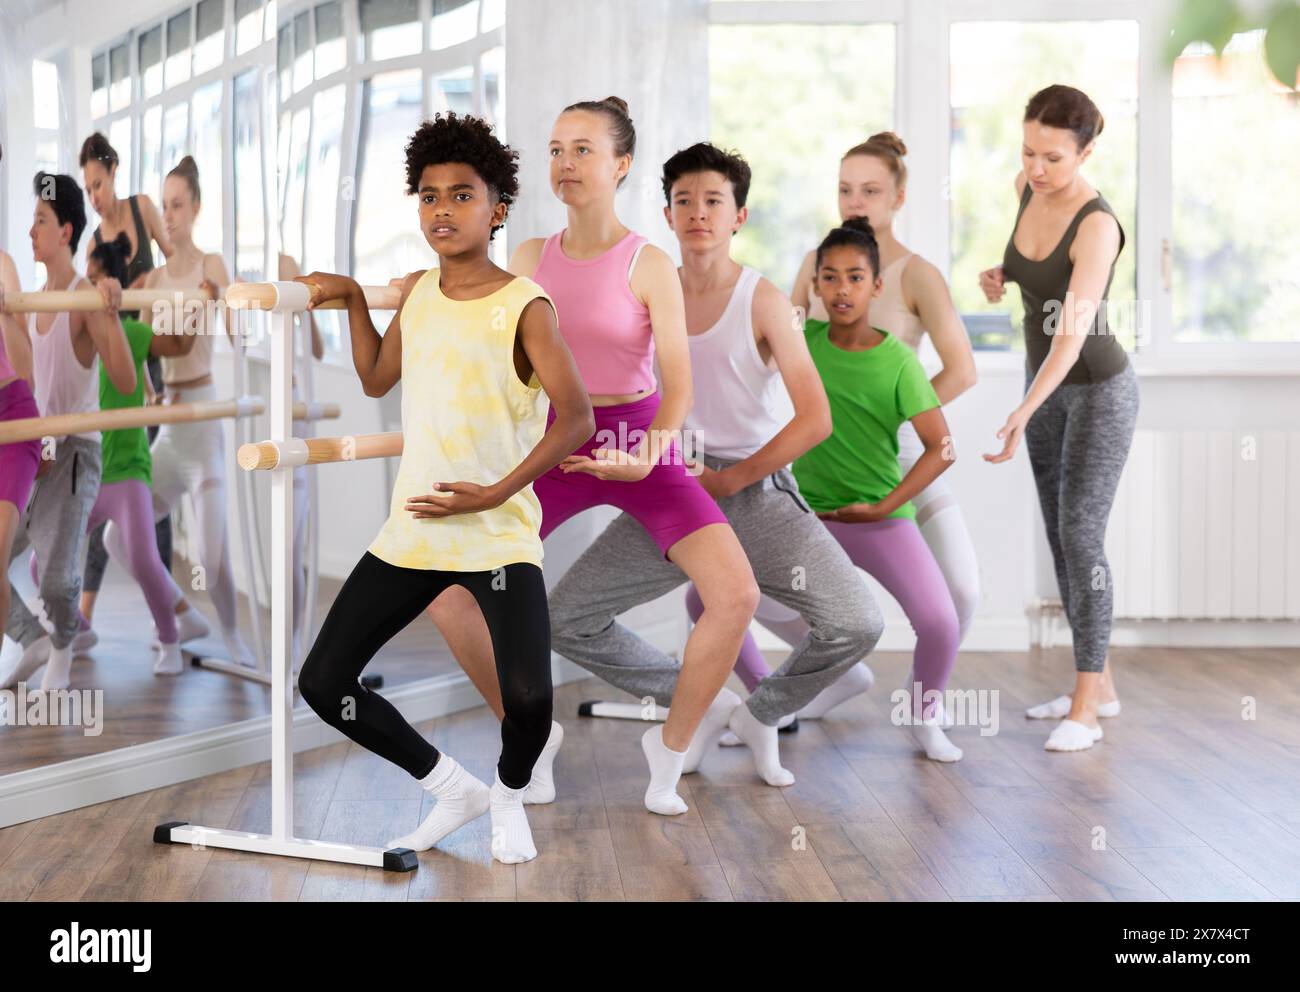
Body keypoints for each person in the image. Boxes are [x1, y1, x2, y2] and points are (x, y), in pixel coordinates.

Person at [422, 98, 762, 817]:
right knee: (450, 596)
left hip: (638, 436)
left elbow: (679, 386)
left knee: (736, 594)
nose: (565, 163)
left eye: (583, 149)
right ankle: (531, 732)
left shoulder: (649, 263)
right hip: (554, 439)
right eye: (555, 150)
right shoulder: (527, 258)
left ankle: (669, 749)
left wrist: (645, 456)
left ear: (621, 164)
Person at [293, 112, 593, 864]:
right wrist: (355, 300)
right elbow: (376, 378)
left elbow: (578, 419)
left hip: (496, 534)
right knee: (324, 682)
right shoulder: (420, 293)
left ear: (496, 209)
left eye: (462, 196)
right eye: (429, 196)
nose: (442, 211)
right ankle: (449, 787)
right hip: (416, 532)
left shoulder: (525, 305)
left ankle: (508, 792)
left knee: (530, 702)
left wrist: (494, 493)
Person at [551, 141, 884, 788]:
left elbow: (815, 418)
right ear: (667, 216)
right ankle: (701, 699)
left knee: (856, 623)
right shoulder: (642, 287)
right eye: (684, 201)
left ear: (740, 216)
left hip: (751, 490)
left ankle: (760, 714)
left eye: (713, 201)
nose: (698, 213)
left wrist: (731, 479)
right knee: (566, 618)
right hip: (670, 485)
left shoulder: (763, 300)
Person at [761, 131, 980, 721]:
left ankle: (921, 700)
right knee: (762, 588)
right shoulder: (816, 264)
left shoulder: (917, 273)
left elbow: (962, 370)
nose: (855, 202)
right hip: (825, 457)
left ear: (898, 197)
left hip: (902, 454)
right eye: (845, 190)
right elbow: (777, 347)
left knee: (961, 591)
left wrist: (894, 411)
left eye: (871, 191)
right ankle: (832, 675)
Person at [980, 84, 1137, 753]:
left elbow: (1070, 337)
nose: (1037, 169)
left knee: (1081, 539)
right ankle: (1101, 686)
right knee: (1059, 536)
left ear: (1087, 152)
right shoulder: (1026, 189)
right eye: (1028, 152)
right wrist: (1002, 275)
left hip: (1097, 391)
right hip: (1043, 387)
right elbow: (1035, 272)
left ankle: (1086, 710)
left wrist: (1023, 408)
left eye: (1053, 158)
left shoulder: (1097, 225)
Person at [796, 217, 965, 761]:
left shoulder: (898, 362)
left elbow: (942, 447)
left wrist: (883, 508)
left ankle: (923, 715)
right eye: (829, 277)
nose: (841, 289)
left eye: (854, 277)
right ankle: (770, 705)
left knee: (940, 622)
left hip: (879, 518)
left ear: (877, 286)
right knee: (706, 598)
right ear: (815, 285)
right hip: (806, 519)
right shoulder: (801, 344)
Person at [29, 233, 205, 675]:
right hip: (90, 471)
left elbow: (180, 346)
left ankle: (170, 639)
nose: (86, 290)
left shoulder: (132, 333)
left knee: (144, 558)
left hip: (128, 472)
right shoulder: (71, 327)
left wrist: (201, 304)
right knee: (40, 562)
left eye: (94, 281)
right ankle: (79, 628)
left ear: (107, 288)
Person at [0, 171, 137, 692]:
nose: (30, 231)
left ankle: (63, 642)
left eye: (41, 220)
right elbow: (26, 379)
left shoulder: (84, 298)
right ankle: (31, 637)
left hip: (77, 451)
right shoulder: (32, 301)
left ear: (65, 231)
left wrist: (111, 307)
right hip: (37, 448)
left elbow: (125, 382)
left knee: (56, 582)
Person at [138, 156, 253, 667]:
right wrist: (149, 393)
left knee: (211, 555)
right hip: (171, 426)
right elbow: (139, 346)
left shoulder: (212, 265)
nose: (168, 215)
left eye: (178, 205)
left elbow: (237, 337)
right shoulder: (152, 279)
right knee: (122, 535)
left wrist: (236, 302)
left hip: (204, 423)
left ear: (196, 207)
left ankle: (231, 635)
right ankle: (181, 614)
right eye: (164, 206)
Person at [80, 131, 174, 638]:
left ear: (113, 171)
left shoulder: (143, 209)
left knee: (148, 487)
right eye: (87, 189)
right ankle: (85, 613)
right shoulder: (94, 245)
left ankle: (169, 609)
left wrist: (145, 286)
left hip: (153, 357)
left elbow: (175, 263)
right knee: (110, 480)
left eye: (97, 184)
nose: (94, 196)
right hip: (117, 366)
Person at [0, 140, 42, 659]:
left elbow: (26, 366)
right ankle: (31, 638)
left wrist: (4, 312)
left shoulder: (4, 265)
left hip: (13, 417)